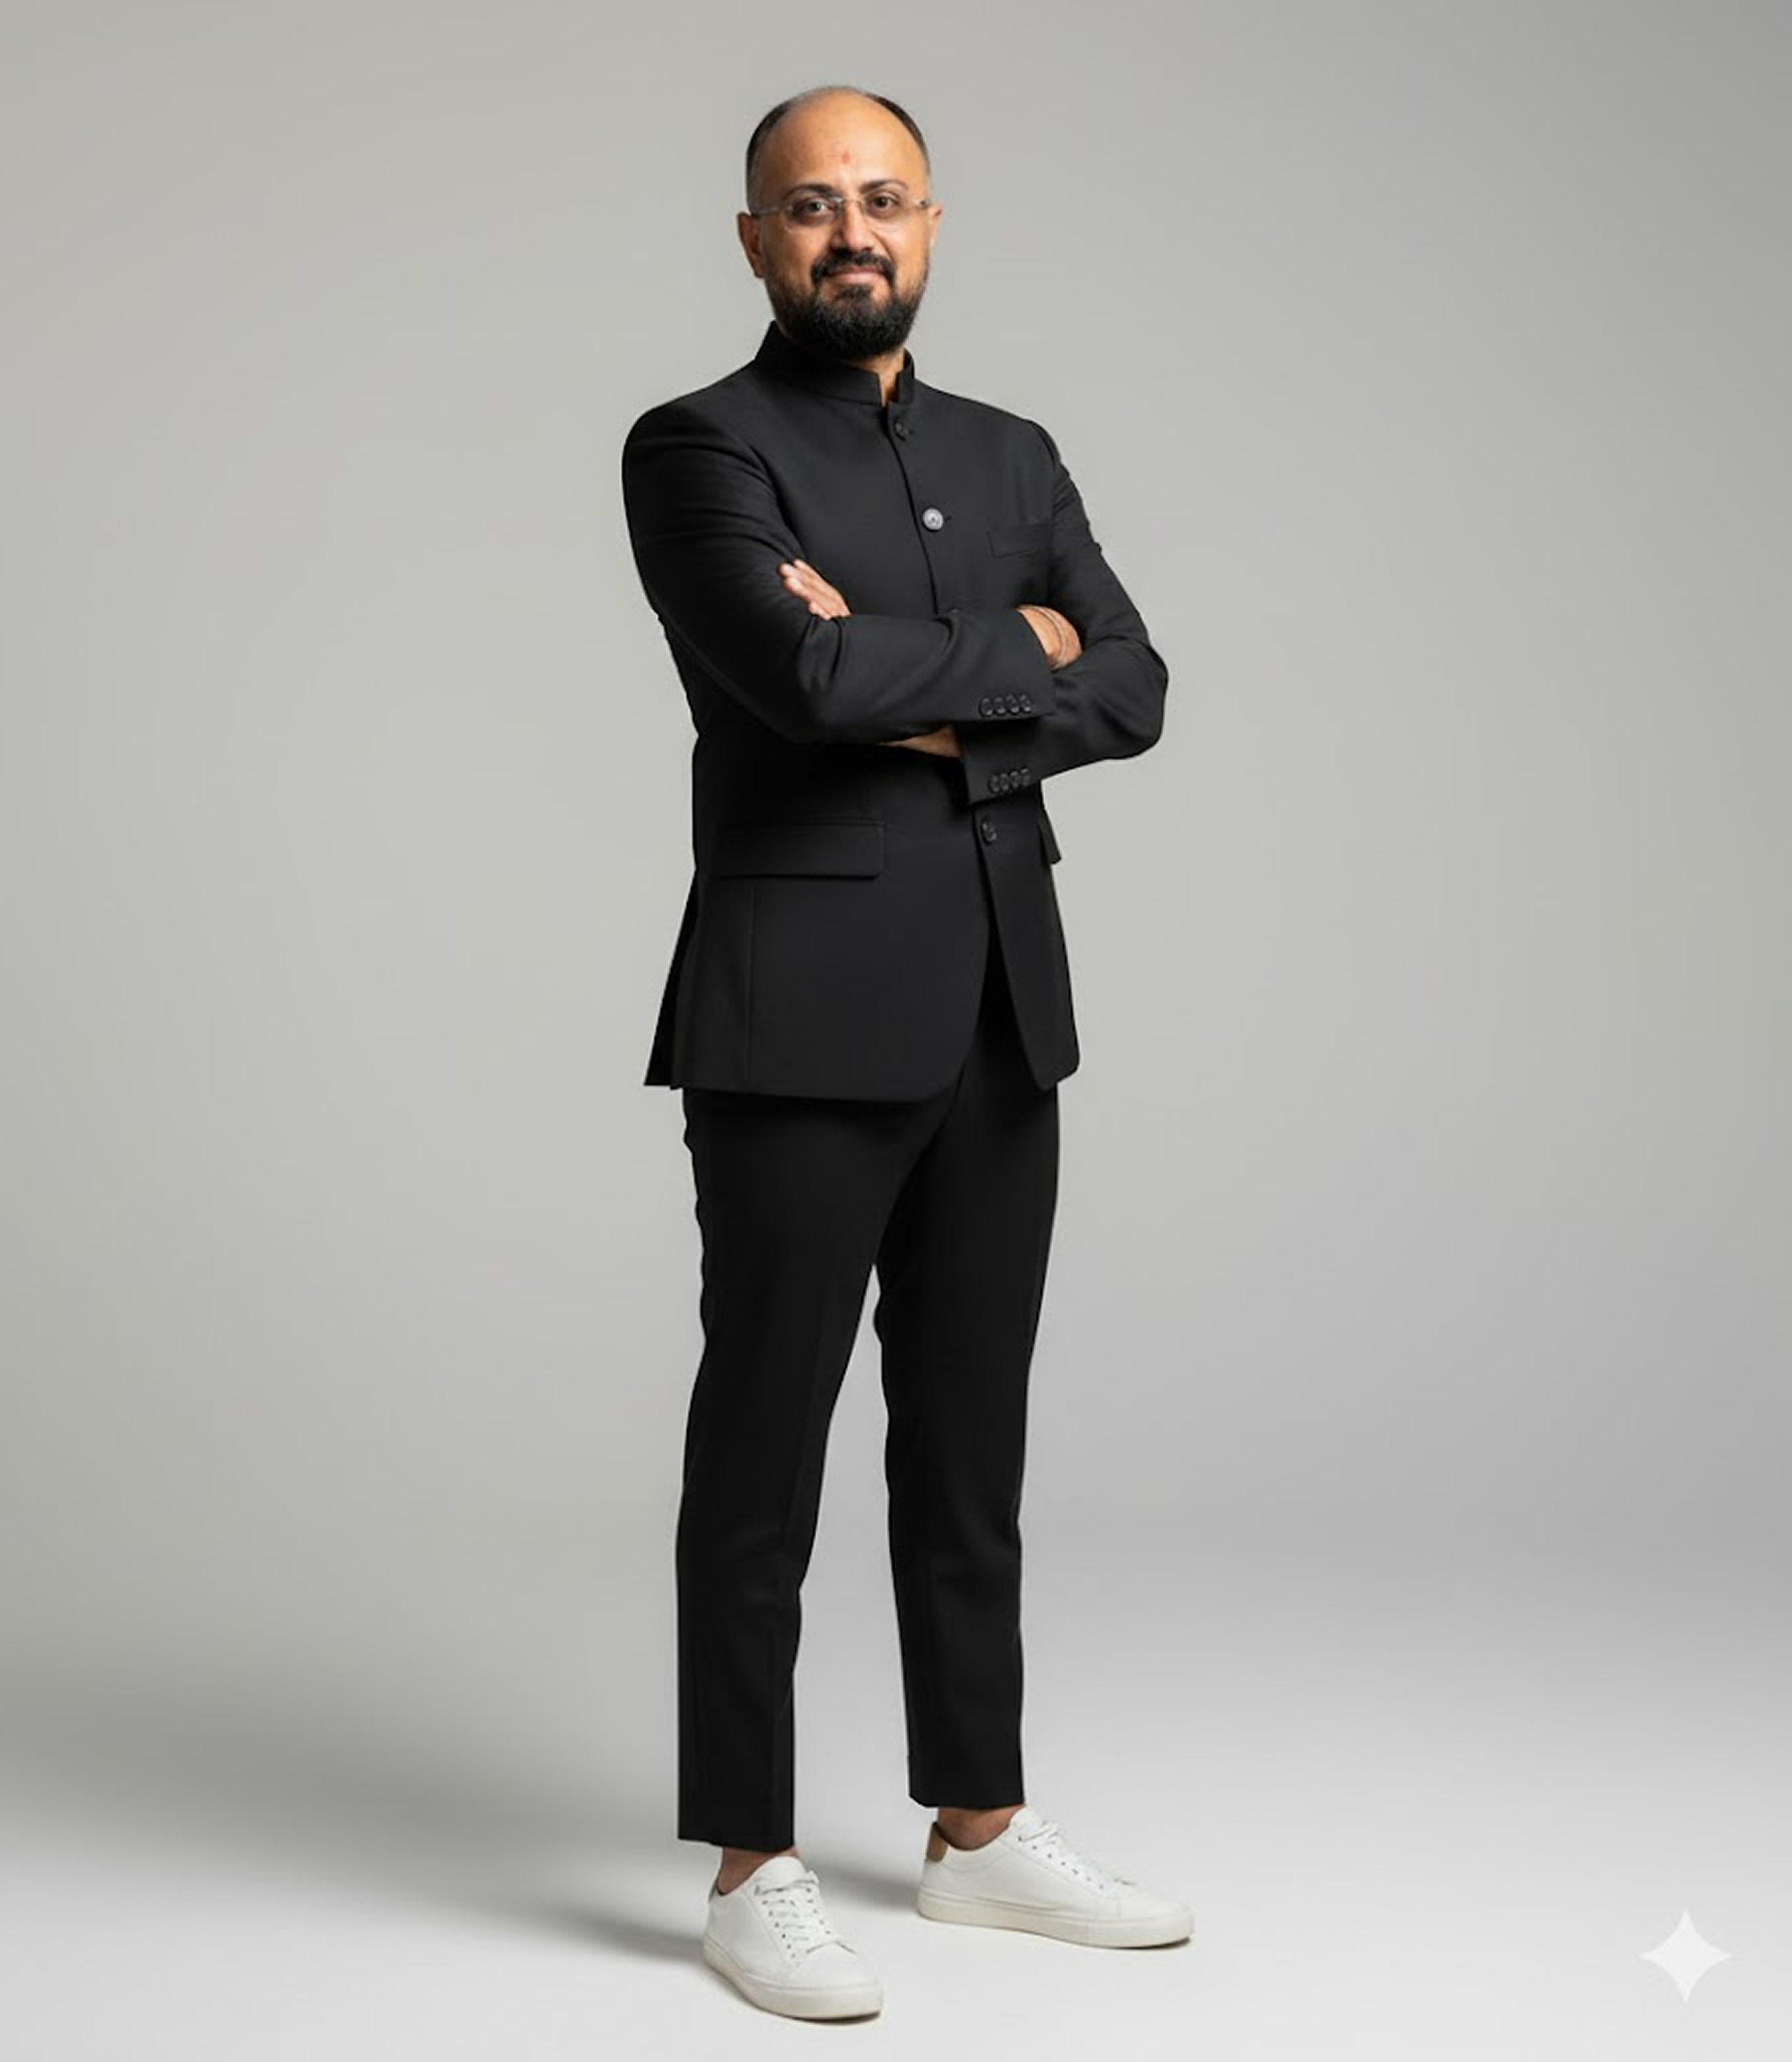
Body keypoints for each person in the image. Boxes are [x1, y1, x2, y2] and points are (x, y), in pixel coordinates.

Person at [620, 82, 1192, 2020]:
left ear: (932, 221)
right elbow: (795, 676)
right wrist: (1018, 655)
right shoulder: (698, 446)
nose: (852, 231)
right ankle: (749, 1864)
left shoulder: (1012, 450)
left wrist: (923, 677)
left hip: (1002, 1007)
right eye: (811, 205)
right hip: (794, 1012)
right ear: (755, 240)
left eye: (884, 199)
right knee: (763, 1446)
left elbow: (1141, 683)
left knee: (972, 1439)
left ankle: (978, 1826)